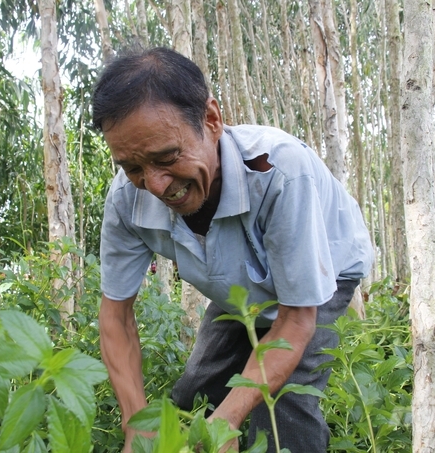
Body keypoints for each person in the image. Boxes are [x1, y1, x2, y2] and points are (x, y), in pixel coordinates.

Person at [92, 47, 373, 453]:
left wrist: (229, 418)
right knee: (192, 399)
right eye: (133, 168)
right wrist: (136, 423)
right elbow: (115, 318)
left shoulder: (278, 172)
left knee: (279, 420)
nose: (155, 185)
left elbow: (295, 319)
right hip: (240, 289)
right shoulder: (125, 200)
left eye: (167, 157)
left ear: (211, 119)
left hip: (322, 277)